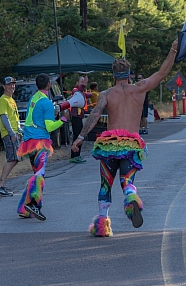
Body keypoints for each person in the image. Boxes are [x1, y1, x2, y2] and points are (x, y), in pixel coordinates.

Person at [72, 39, 178, 237]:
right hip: (130, 143)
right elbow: (162, 73)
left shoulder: (106, 94)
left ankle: (102, 224)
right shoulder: (139, 89)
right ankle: (130, 195)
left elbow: (94, 115)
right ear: (129, 74)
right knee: (127, 181)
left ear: (113, 75)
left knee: (105, 184)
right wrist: (172, 50)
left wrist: (80, 136)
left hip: (108, 144)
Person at [16, 74, 64, 221]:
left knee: (36, 173)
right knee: (40, 174)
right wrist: (62, 120)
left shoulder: (34, 97)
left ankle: (24, 208)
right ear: (49, 84)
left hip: (29, 141)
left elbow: (34, 118)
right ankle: (34, 203)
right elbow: (50, 126)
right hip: (40, 141)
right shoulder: (46, 102)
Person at [0, 76, 22, 196]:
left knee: (15, 159)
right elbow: (4, 118)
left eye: (13, 84)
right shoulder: (3, 100)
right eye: (9, 84)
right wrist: (11, 133)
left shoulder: (12, 100)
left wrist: (19, 130)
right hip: (9, 134)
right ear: (4, 86)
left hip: (15, 133)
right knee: (12, 159)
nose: (12, 86)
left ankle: (0, 184)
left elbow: (15, 117)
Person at [70, 76, 92, 163]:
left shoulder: (81, 92)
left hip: (79, 116)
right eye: (81, 81)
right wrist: (84, 85)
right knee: (78, 136)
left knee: (77, 136)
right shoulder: (75, 91)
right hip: (75, 116)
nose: (83, 83)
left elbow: (86, 95)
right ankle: (75, 155)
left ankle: (76, 155)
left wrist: (94, 94)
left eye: (83, 81)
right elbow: (79, 92)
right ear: (77, 82)